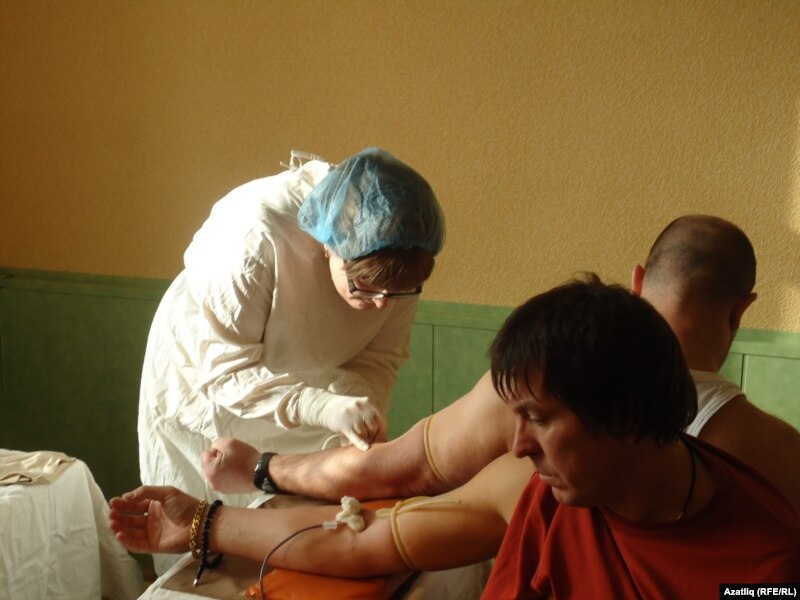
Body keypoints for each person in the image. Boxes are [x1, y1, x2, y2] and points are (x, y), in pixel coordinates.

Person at [110, 277, 799, 595]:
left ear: (623, 414)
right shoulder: (537, 491)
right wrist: (199, 522)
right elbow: (367, 539)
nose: (518, 445)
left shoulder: (763, 572)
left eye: (539, 420)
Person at [202, 215, 800, 513]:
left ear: (638, 281)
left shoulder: (545, 382)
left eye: (537, 421)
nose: (521, 444)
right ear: (742, 310)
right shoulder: (779, 455)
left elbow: (396, 473)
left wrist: (262, 468)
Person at [138, 147, 445, 572]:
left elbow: (378, 359)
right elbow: (225, 371)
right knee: (198, 537)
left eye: (395, 296)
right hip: (205, 380)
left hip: (306, 381)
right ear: (328, 247)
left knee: (285, 530)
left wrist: (360, 408)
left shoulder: (398, 260)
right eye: (364, 288)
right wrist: (320, 406)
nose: (380, 305)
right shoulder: (254, 235)